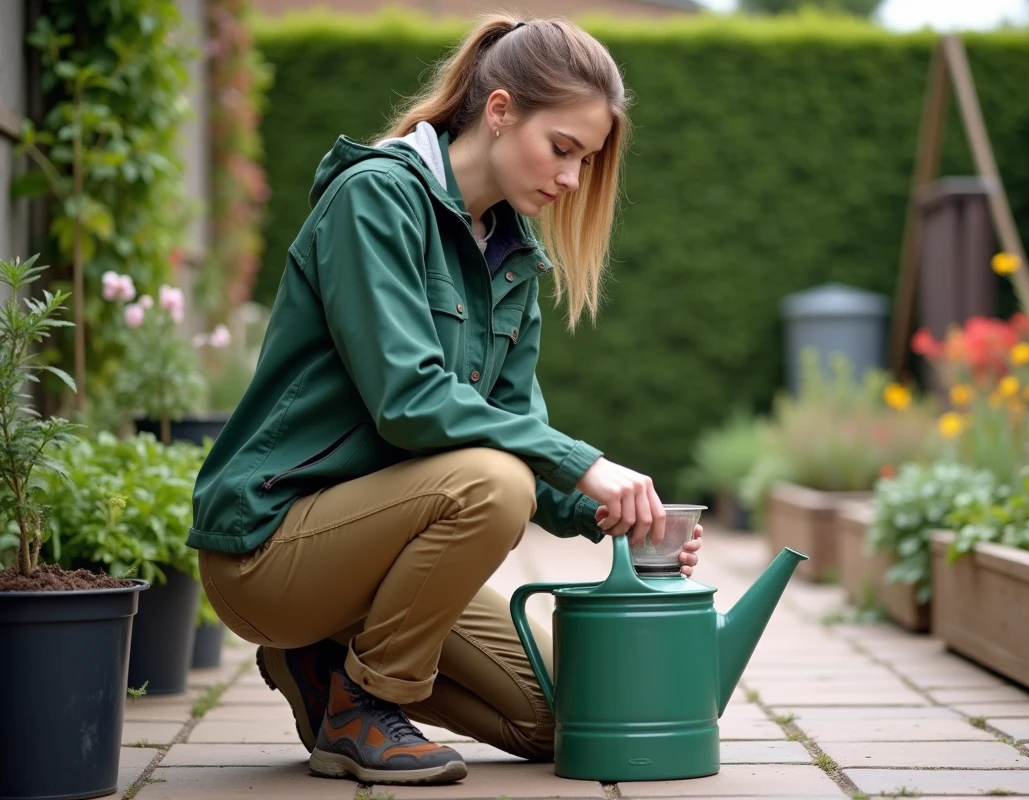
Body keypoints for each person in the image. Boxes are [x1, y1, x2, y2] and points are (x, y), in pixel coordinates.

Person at [187, 13, 704, 787]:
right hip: (271, 549)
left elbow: (516, 425)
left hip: (381, 550)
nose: (570, 180)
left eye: (585, 161)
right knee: (494, 482)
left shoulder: (508, 256)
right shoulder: (375, 200)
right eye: (562, 149)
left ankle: (321, 674)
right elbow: (410, 402)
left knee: (560, 714)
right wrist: (587, 464)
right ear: (499, 112)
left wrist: (603, 513)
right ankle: (362, 706)